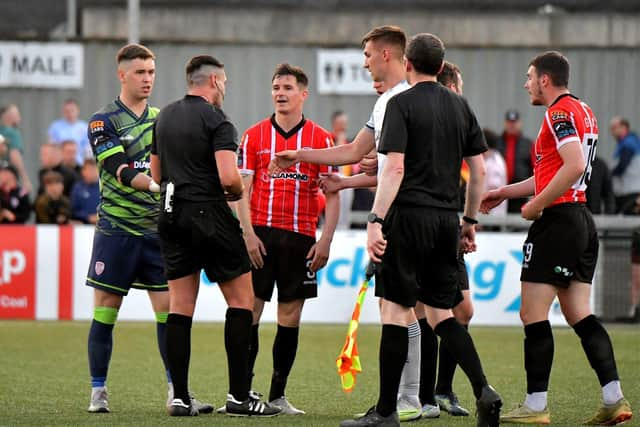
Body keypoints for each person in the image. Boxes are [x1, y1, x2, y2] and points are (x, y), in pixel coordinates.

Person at [274, 26, 438, 422]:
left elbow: (397, 167)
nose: (363, 61)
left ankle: (414, 398)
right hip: (430, 216)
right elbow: (353, 151)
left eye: (367, 54)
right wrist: (301, 155)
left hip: (403, 216)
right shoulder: (387, 103)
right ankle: (420, 397)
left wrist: (376, 217)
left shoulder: (402, 101)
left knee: (408, 309)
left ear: (386, 55)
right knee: (418, 309)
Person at [482, 51, 633, 426]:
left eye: (529, 77)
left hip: (560, 221)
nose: (526, 83)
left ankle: (535, 406)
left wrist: (535, 206)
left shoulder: (558, 113)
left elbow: (575, 166)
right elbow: (558, 170)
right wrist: (506, 192)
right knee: (578, 313)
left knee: (531, 313)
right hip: (582, 221)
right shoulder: (584, 110)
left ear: (545, 80)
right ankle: (613, 399)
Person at [84, 43, 212, 415]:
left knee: (169, 312)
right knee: (106, 312)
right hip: (116, 230)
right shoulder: (102, 120)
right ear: (121, 74)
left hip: (158, 233)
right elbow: (118, 169)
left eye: (152, 72)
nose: (147, 79)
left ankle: (177, 392)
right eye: (140, 72)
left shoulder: (164, 117)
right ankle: (98, 392)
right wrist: (160, 187)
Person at [151, 54, 280, 417]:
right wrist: (239, 189)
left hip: (171, 213)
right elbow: (227, 178)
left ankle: (179, 397)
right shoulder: (217, 119)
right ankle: (239, 397)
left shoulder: (165, 117)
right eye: (224, 82)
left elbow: (158, 173)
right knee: (242, 301)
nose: (225, 88)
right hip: (208, 214)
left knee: (180, 306)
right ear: (213, 82)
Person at [233, 63, 339, 415]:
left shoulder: (322, 140)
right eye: (276, 87)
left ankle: (277, 395)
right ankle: (242, 393)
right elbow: (241, 191)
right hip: (260, 236)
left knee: (289, 317)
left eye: (288, 87)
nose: (280, 92)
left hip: (301, 239)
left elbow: (334, 194)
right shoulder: (253, 136)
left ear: (303, 94)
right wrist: (247, 234)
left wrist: (325, 240)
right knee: (249, 312)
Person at [495, 108, 534, 213]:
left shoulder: (528, 144)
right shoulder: (497, 142)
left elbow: (534, 167)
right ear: (505, 123)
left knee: (518, 220)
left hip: (520, 191)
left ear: (519, 123)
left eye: (514, 122)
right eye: (509, 122)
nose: (511, 125)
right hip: (500, 188)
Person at [610, 117, 640, 214]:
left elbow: (622, 165)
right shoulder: (628, 142)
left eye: (614, 128)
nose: (612, 132)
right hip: (629, 190)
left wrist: (610, 174)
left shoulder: (628, 144)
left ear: (624, 127)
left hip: (630, 191)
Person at [0, 104, 32, 195]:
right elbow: (15, 156)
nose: (20, 118)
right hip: (8, 176)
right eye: (17, 115)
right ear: (8, 116)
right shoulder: (13, 133)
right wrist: (25, 179)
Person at [48, 98, 92, 165]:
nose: (70, 113)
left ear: (78, 111)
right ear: (63, 112)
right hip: (61, 164)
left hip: (79, 163)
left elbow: (88, 148)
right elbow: (52, 147)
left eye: (72, 110)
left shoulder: (84, 128)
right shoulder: (55, 127)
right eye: (67, 111)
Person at [71, 159, 100, 224]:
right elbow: (74, 210)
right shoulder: (77, 188)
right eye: (89, 169)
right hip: (83, 226)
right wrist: (87, 217)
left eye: (93, 169)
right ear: (83, 171)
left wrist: (99, 217)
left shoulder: (104, 188)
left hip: (103, 225)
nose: (92, 172)